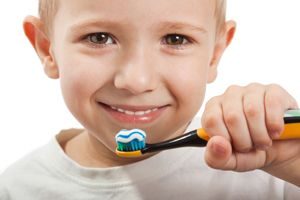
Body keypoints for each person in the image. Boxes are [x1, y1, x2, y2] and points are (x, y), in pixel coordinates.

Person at [0, 0, 299, 199]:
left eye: (175, 39)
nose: (136, 81)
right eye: (99, 38)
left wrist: (295, 163)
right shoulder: (15, 189)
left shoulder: (271, 174)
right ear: (47, 48)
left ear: (215, 52)